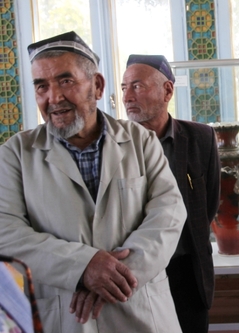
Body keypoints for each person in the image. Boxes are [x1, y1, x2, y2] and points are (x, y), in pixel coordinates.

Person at [0, 31, 187, 333]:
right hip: (63, 316)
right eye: (41, 87)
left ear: (97, 85)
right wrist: (83, 267)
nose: (54, 97)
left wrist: (113, 276)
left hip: (139, 310)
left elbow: (169, 214)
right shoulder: (15, 154)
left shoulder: (140, 142)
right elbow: (5, 232)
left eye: (66, 81)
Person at [121, 54, 221, 332]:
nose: (128, 96)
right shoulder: (114, 144)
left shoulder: (200, 138)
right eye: (124, 87)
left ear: (167, 90)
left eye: (138, 86)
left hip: (187, 270)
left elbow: (208, 204)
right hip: (135, 272)